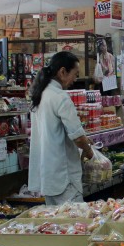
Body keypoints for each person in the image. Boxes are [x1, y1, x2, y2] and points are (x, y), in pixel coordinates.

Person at [28, 51, 95, 205]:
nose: (75, 79)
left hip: (48, 176)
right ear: (63, 72)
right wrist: (91, 153)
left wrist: (84, 140)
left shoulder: (41, 94)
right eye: (75, 74)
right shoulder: (60, 97)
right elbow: (77, 137)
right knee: (76, 223)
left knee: (57, 225)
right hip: (64, 178)